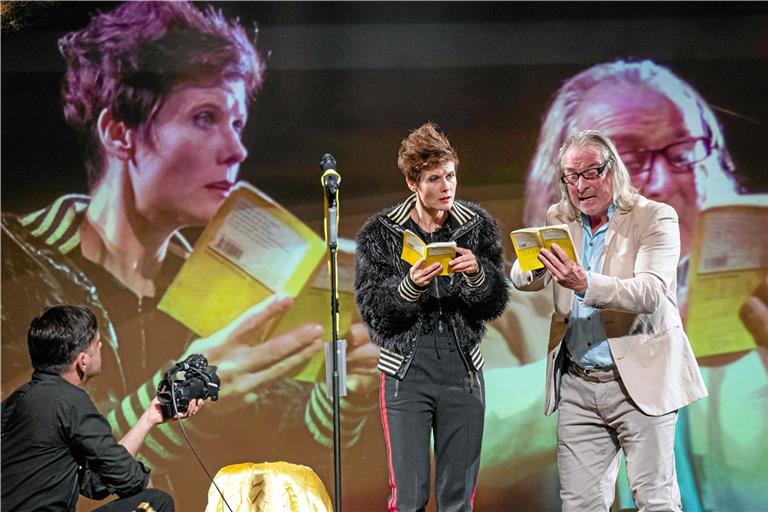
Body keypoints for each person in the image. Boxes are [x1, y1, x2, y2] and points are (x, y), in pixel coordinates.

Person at [0, 2, 377, 508]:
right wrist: (170, 397)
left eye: (238, 123)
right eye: (205, 117)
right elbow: (31, 457)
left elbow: (294, 457)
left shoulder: (226, 279)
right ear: (119, 133)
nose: (236, 149)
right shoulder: (13, 255)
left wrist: (345, 391)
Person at [484, 59, 768, 512]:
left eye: (682, 153)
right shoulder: (509, 314)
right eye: (629, 160)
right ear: (564, 180)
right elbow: (474, 435)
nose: (657, 180)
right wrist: (530, 273)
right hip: (581, 390)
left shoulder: (748, 300)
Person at [510, 129, 708, 511]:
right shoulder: (560, 218)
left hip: (640, 383)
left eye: (591, 173)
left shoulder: (655, 217)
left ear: (613, 170)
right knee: (579, 505)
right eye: (571, 177)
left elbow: (650, 292)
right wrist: (532, 268)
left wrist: (585, 283)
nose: (581, 186)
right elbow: (524, 277)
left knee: (656, 501)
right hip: (579, 386)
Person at [354, 122, 508, 510]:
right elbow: (374, 312)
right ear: (412, 182)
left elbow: (495, 302)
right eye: (434, 178)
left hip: (462, 370)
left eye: (451, 175)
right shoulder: (381, 233)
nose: (446, 187)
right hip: (407, 370)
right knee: (409, 496)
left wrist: (477, 275)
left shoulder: (477, 226)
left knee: (458, 496)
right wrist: (410, 287)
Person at [1, 304, 202, 511]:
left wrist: (149, 418)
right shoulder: (70, 401)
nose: (101, 346)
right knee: (156, 502)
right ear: (83, 361)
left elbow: (94, 483)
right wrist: (143, 483)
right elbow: (129, 478)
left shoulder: (16, 401)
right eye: (97, 343)